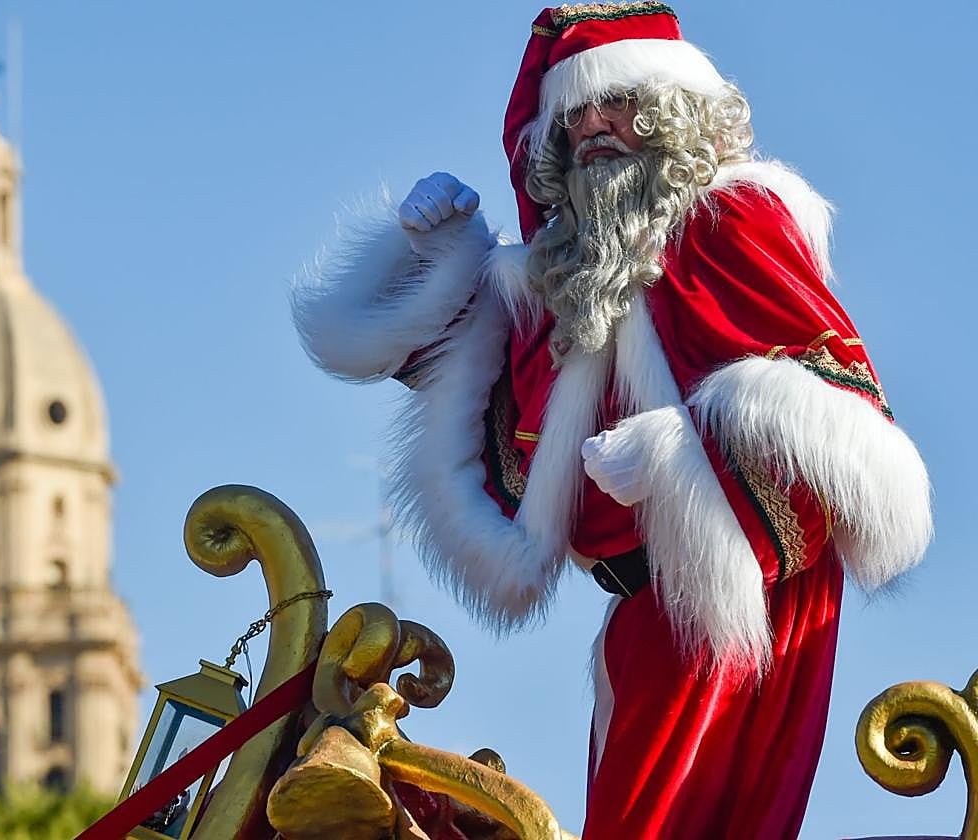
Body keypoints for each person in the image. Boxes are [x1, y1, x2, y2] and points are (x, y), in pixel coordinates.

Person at [291, 3, 931, 838]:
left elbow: (838, 424)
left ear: (674, 116)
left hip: (734, 611)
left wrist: (678, 458)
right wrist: (436, 256)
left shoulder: (731, 220)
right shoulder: (570, 272)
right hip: (643, 619)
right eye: (572, 113)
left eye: (619, 102)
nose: (591, 125)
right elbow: (467, 389)